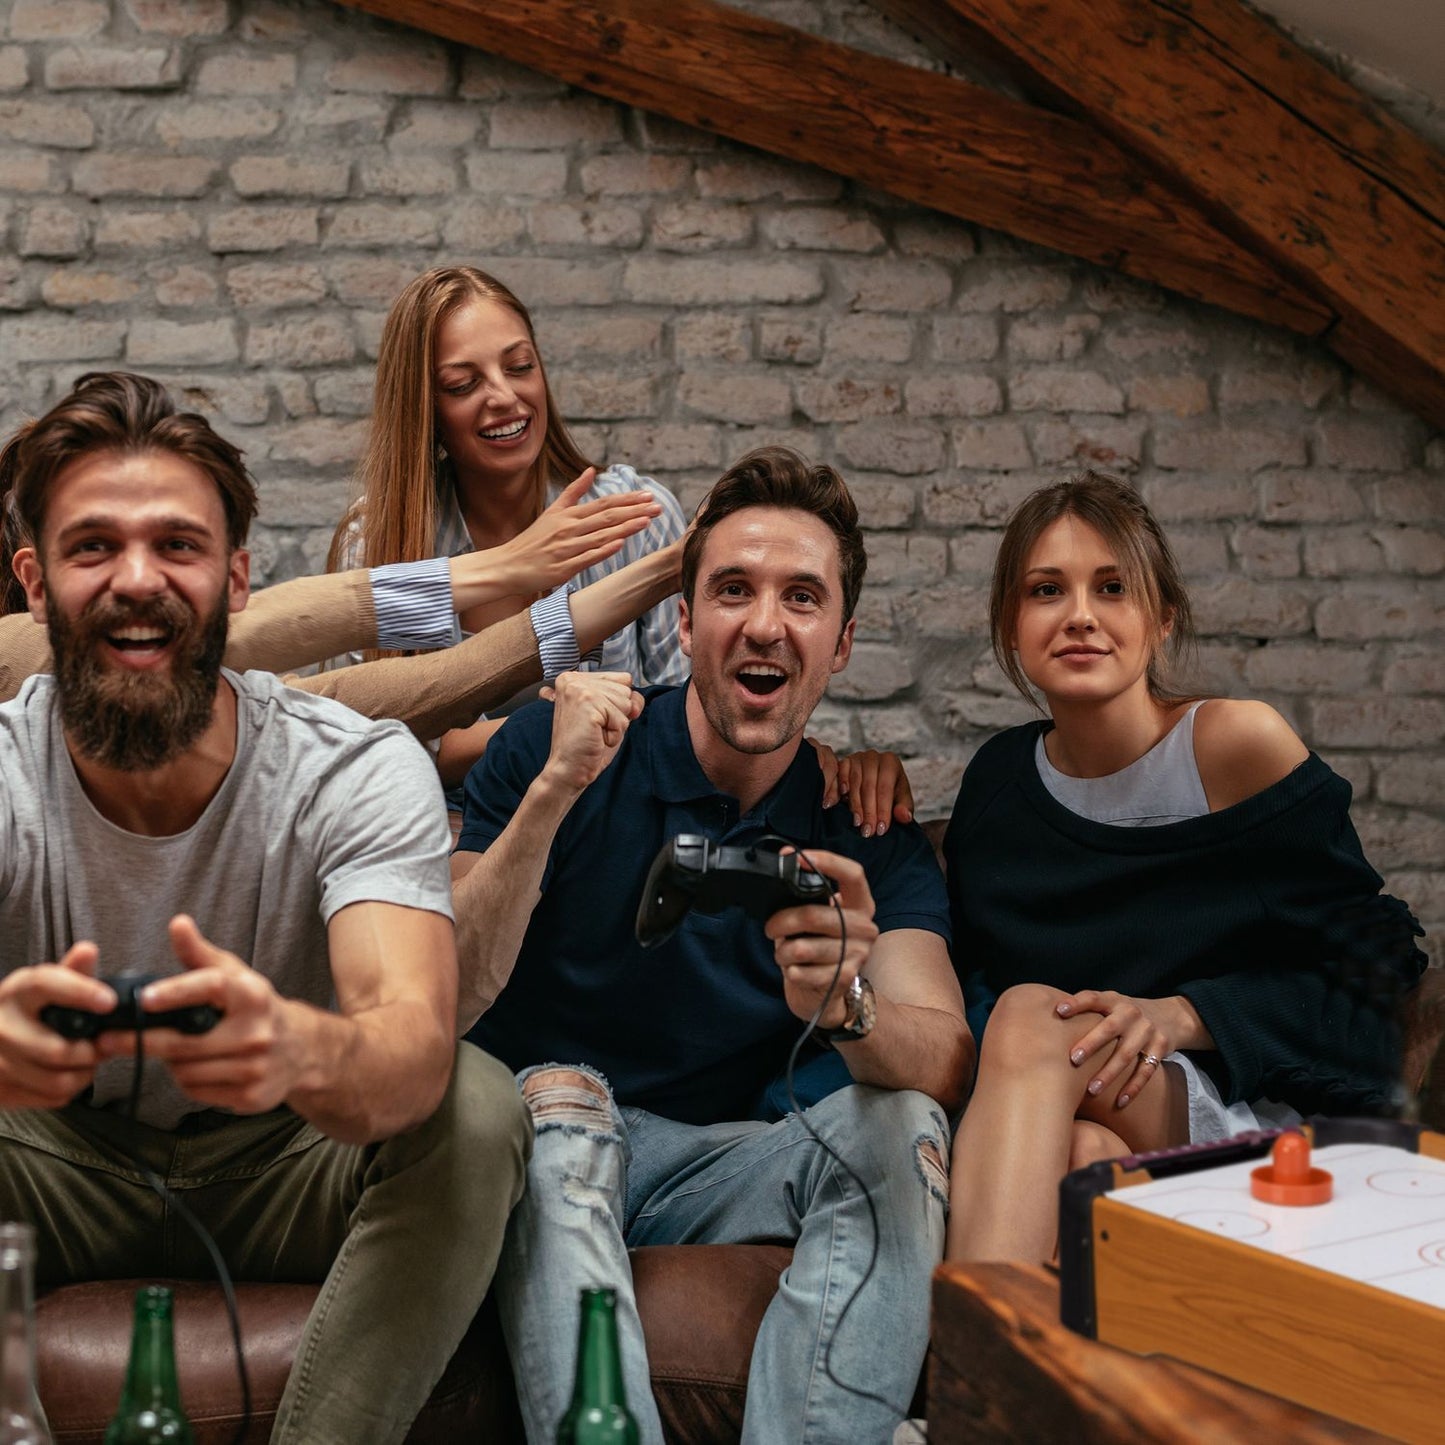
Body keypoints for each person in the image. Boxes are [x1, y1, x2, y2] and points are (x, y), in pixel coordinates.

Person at [0, 371, 530, 1443]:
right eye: (92, 546)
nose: (136, 579)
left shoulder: (352, 769)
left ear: (238, 578)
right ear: (35, 583)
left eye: (178, 547)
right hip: (56, 1164)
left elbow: (412, 1045)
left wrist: (293, 1045)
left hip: (286, 1162)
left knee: (475, 1109)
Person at [451, 447, 972, 1445]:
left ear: (841, 641)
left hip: (719, 1167)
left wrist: (846, 1005)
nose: (764, 622)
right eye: (732, 589)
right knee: (557, 1095)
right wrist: (552, 794)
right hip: (552, 1137)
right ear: (685, 623)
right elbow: (445, 988)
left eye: (801, 597)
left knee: (899, 1125)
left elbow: (942, 1055)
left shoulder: (862, 825)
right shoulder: (556, 747)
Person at [942, 470, 1427, 1262]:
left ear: (1161, 618)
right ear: (1010, 622)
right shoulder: (998, 783)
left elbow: (1381, 961)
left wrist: (1185, 1014)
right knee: (1082, 1157)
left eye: (1111, 587)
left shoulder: (1233, 746)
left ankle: (957, 1363)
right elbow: (969, 975)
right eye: (1044, 591)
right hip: (1084, 1111)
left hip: (1242, 1114)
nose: (1079, 617)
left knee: (1036, 1017)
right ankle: (1009, 1369)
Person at [328, 264, 690, 786]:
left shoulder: (636, 516)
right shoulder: (378, 541)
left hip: (602, 823)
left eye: (519, 366)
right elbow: (357, 749)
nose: (503, 396)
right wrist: (548, 726)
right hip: (440, 830)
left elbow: (682, 719)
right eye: (463, 383)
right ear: (424, 408)